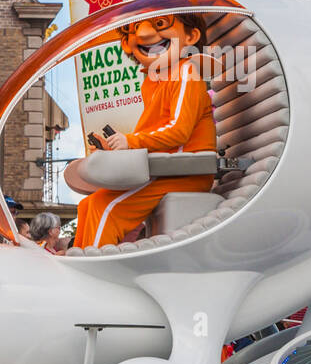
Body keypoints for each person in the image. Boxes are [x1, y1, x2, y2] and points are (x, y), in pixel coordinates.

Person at [73, 14, 216, 248]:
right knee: (89, 204)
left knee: (106, 208)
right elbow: (151, 133)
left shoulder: (185, 72)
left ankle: (98, 272)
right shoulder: (153, 81)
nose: (144, 34)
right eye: (136, 28)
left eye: (160, 25)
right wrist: (115, 146)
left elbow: (178, 131)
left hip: (182, 171)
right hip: (161, 167)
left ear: (191, 36)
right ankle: (77, 263)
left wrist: (130, 141)